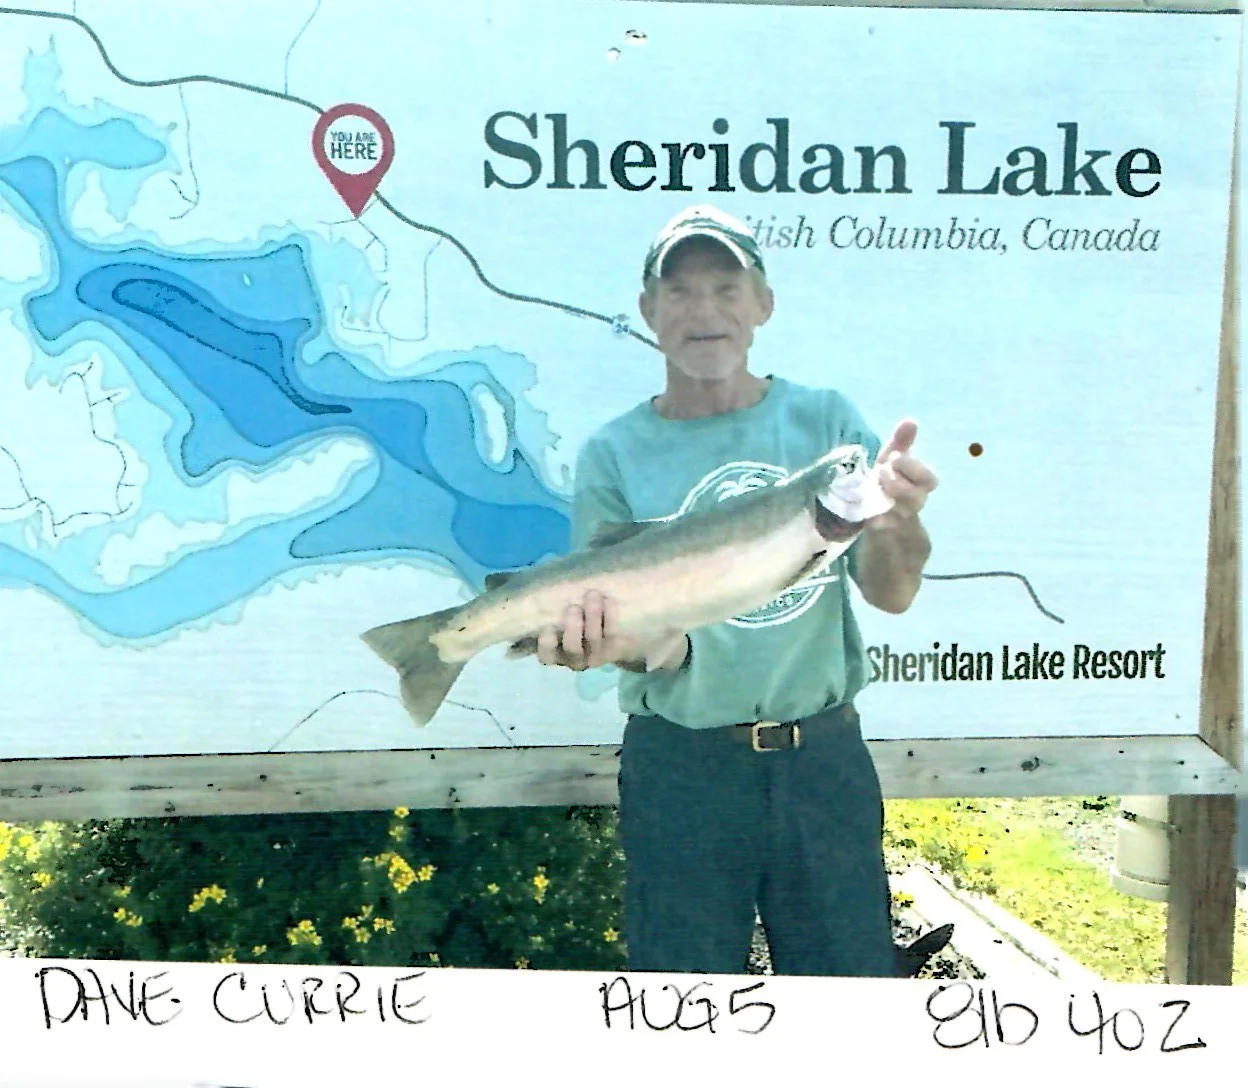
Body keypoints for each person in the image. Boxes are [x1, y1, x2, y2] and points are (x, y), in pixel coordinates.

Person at [537, 205, 943, 977]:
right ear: (649, 310)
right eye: (681, 291)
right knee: (683, 1007)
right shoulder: (613, 454)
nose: (705, 311)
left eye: (727, 288)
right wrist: (601, 645)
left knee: (848, 1001)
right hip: (681, 770)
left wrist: (900, 521)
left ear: (763, 304)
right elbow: (655, 649)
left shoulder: (827, 425)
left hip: (822, 762)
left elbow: (891, 594)